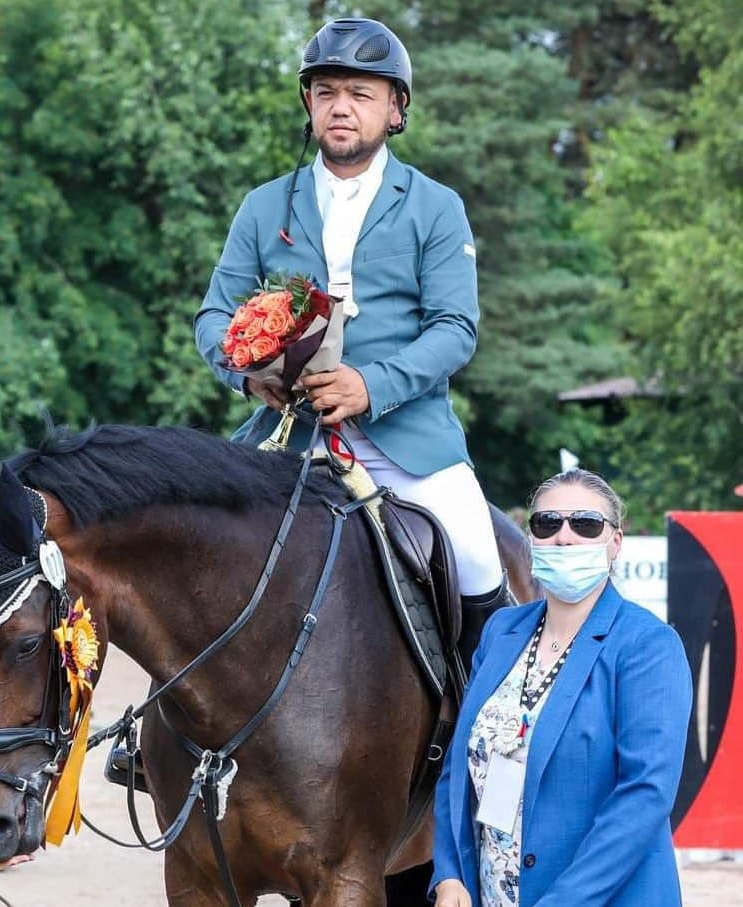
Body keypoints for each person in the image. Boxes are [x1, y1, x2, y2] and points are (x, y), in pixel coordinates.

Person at [194, 17, 511, 659]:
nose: (341, 107)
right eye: (326, 92)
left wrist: (370, 385)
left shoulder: (435, 206)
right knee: (195, 549)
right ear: (309, 104)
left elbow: (455, 329)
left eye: (360, 94)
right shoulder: (263, 206)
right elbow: (213, 317)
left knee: (479, 557)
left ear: (395, 109)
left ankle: (486, 709)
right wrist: (247, 375)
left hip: (408, 442)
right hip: (287, 437)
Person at [431, 469, 692, 907]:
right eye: (547, 523)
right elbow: (458, 765)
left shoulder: (648, 645)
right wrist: (450, 873)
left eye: (585, 524)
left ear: (615, 543)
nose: (563, 538)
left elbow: (646, 794)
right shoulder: (501, 631)